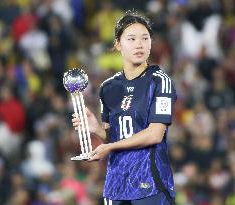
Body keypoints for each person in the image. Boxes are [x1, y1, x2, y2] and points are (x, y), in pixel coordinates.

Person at [72, 11, 177, 205]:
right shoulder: (108, 88)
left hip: (150, 185)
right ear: (118, 44)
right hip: (116, 187)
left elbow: (154, 134)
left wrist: (110, 146)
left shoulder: (159, 81)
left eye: (145, 38)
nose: (139, 44)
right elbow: (116, 135)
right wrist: (97, 129)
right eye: (132, 39)